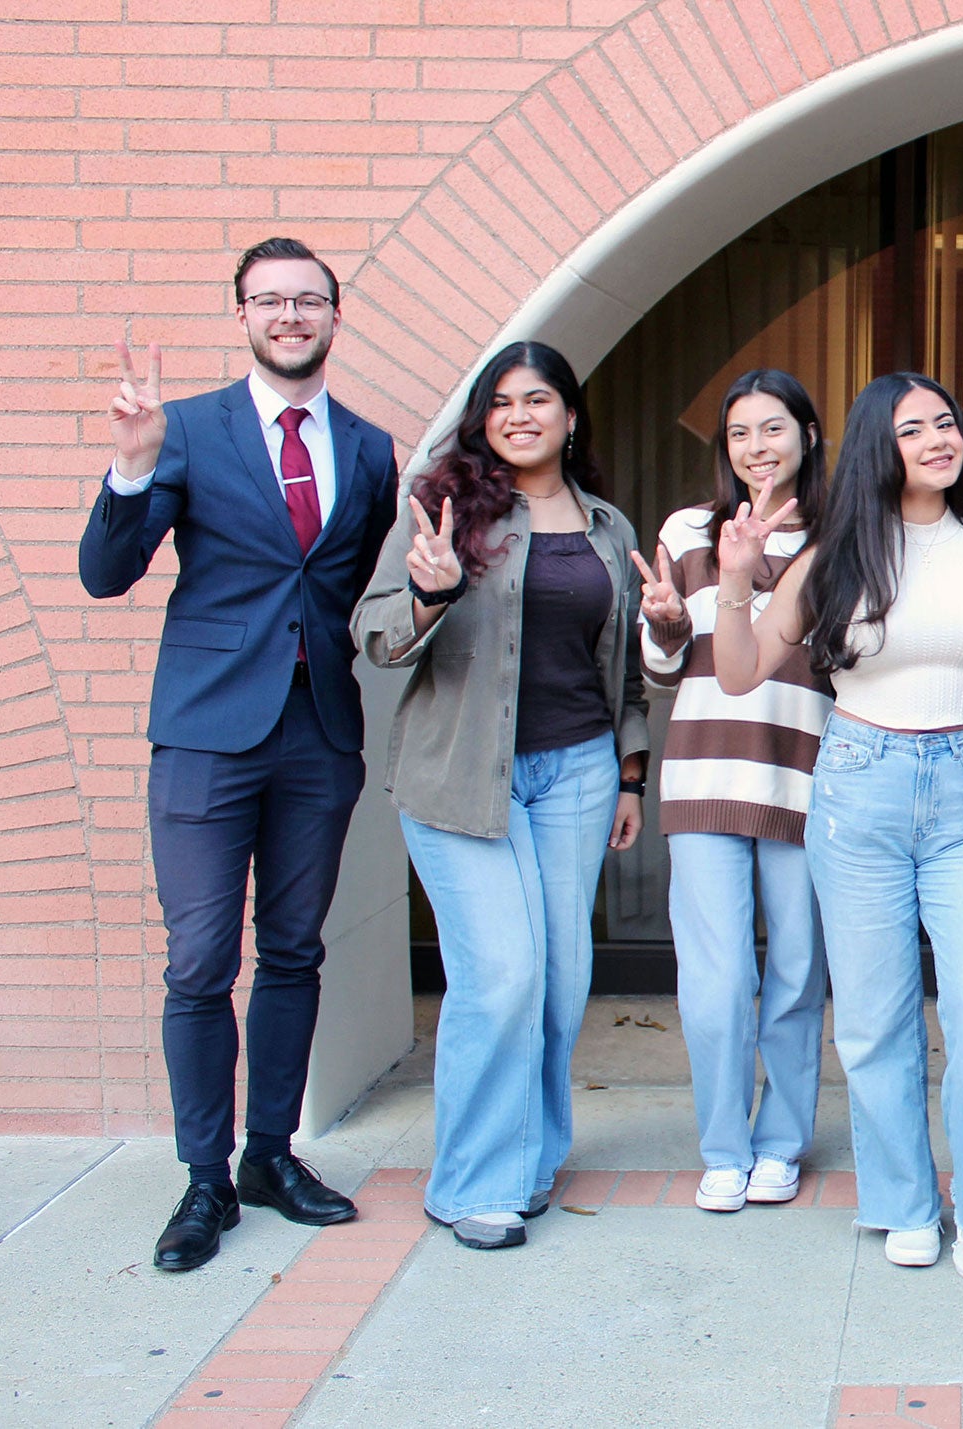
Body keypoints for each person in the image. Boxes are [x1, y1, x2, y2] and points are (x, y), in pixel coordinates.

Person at [81, 237, 398, 1272]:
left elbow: (348, 584)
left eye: (309, 299)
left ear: (335, 319)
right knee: (201, 958)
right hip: (208, 734)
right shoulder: (184, 432)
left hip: (318, 732)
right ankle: (203, 1178)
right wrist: (131, 471)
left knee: (295, 950)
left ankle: (271, 1153)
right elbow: (104, 574)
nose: (290, 314)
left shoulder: (368, 447)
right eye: (270, 300)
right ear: (243, 317)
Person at [709, 372, 963, 1282]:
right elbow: (739, 673)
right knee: (873, 1019)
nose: (938, 438)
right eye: (911, 429)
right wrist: (734, 582)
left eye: (946, 420)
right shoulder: (834, 556)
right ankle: (901, 1201)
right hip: (858, 787)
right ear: (872, 447)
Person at [353, 341, 650, 1252]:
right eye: (503, 403)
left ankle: (527, 1160)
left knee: (560, 984)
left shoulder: (608, 527)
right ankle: (469, 1183)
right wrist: (429, 592)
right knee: (502, 975)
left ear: (570, 416)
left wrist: (632, 772)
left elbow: (624, 669)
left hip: (580, 772)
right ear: (484, 419)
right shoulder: (443, 513)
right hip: (459, 774)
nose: (521, 415)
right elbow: (372, 633)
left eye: (540, 399)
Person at [632, 370, 835, 1214]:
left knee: (795, 972)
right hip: (706, 774)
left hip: (809, 778)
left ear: (809, 436)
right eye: (741, 432)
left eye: (774, 428)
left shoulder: (843, 535)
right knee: (715, 981)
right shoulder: (689, 529)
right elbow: (662, 669)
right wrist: (669, 626)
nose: (758, 446)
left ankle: (781, 1142)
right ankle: (725, 1144)